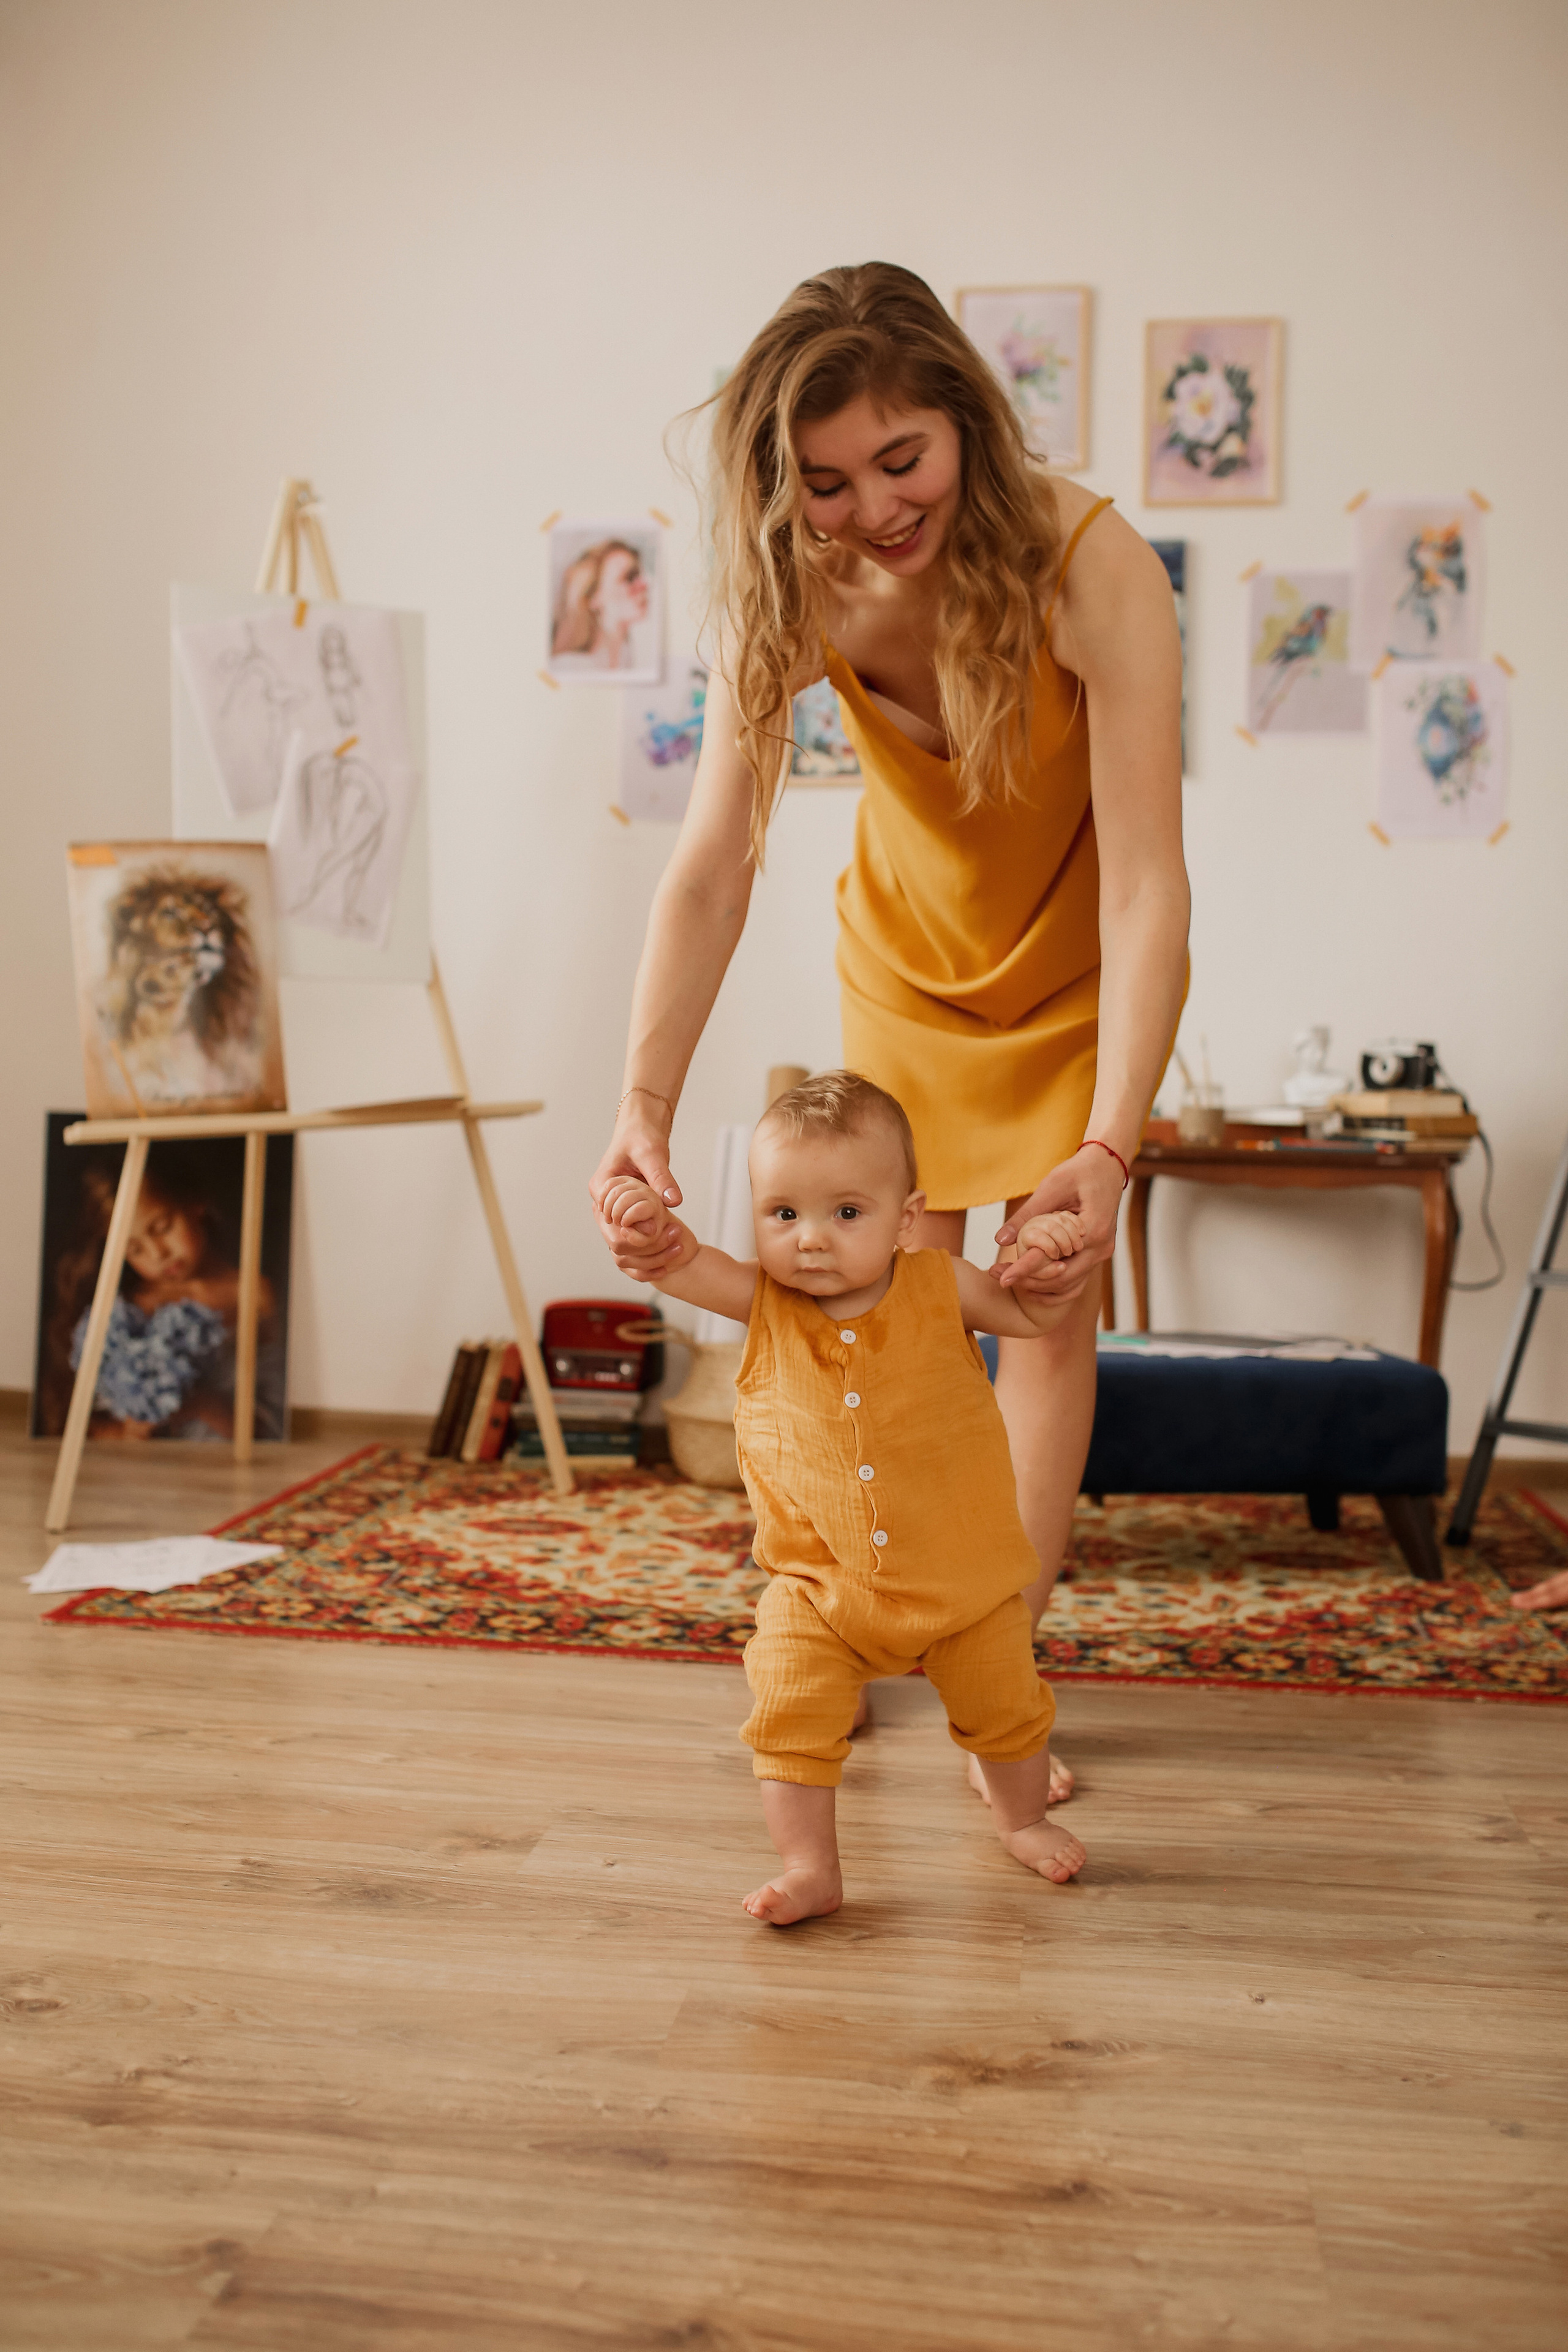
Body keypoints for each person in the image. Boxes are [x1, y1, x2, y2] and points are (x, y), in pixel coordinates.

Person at [590, 262, 1189, 1803]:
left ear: (964, 420)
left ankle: (1002, 1656)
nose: (872, 510)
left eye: (900, 461)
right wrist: (640, 1100)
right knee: (877, 1296)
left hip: (1071, 974)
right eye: (826, 484)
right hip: (908, 974)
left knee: (1044, 1303)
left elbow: (1143, 886)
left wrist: (1111, 1142)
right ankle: (839, 1622)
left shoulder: (1092, 566)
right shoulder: (796, 594)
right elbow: (712, 863)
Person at [603, 1071, 1088, 1923]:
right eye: (783, 1213)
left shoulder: (944, 1285)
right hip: (820, 1590)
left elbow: (1031, 1314)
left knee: (1008, 1713)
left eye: (847, 1213)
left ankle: (1021, 1820)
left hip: (964, 1586)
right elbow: (681, 1264)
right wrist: (647, 1225)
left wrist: (1046, 1254)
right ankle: (810, 1867)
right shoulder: (761, 1298)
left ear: (906, 1219)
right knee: (787, 1712)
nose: (811, 1240)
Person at [39, 1150, 274, 1442]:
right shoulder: (128, 1310)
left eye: (162, 1227)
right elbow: (80, 1429)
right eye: (135, 1249)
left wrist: (201, 1406)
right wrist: (128, 1432)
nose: (158, 1254)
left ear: (195, 1202)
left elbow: (268, 1429)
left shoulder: (254, 1294)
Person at [549, 537, 650, 671]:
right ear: (592, 598)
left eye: (639, 575)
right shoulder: (569, 668)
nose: (644, 585)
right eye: (629, 577)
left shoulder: (628, 659)